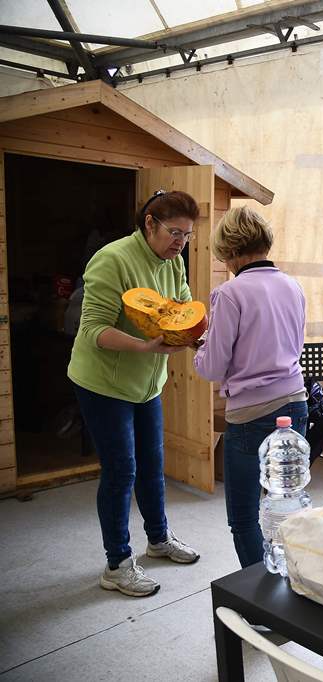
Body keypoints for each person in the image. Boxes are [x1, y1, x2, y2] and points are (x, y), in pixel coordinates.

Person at [67, 190, 201, 598]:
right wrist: (145, 347)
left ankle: (158, 540)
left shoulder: (173, 261)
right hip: (103, 383)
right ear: (150, 225)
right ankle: (117, 564)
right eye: (174, 232)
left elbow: (178, 309)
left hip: (146, 383)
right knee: (121, 470)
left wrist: (194, 335)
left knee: (152, 463)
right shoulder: (112, 259)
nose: (181, 242)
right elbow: (92, 330)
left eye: (188, 235)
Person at [193, 206, 307, 569]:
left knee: (243, 516)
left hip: (249, 414)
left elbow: (213, 367)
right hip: (295, 402)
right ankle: (294, 580)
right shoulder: (293, 286)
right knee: (287, 505)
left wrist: (198, 347)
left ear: (229, 251)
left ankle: (258, 594)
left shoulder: (229, 293)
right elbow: (293, 345)